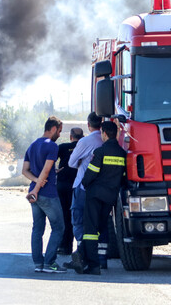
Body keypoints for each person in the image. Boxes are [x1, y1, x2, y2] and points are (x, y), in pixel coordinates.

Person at [73, 121, 126, 275]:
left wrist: (85, 183)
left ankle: (93, 265)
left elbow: (91, 173)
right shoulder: (122, 153)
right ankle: (83, 256)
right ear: (115, 134)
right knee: (100, 227)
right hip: (110, 197)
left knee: (90, 230)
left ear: (103, 133)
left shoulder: (100, 151)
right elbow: (123, 177)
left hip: (95, 195)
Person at [21, 116, 66, 273]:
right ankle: (49, 263)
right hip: (46, 193)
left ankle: (38, 264)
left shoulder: (32, 146)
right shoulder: (52, 146)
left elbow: (25, 171)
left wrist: (34, 183)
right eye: (59, 131)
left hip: (35, 194)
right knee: (59, 227)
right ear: (53, 129)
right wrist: (37, 188)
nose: (59, 135)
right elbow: (45, 171)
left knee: (37, 228)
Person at [65, 112, 103, 268]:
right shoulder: (105, 140)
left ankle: (81, 256)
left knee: (78, 221)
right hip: (100, 188)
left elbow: (71, 163)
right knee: (95, 223)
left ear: (88, 125)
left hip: (82, 186)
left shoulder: (85, 141)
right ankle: (96, 259)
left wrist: (82, 159)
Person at [56, 127, 84, 255]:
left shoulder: (62, 147)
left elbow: (50, 160)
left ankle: (65, 247)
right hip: (77, 186)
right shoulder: (85, 146)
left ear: (71, 137)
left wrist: (53, 172)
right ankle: (80, 247)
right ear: (82, 137)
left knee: (64, 216)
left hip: (62, 185)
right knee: (77, 217)